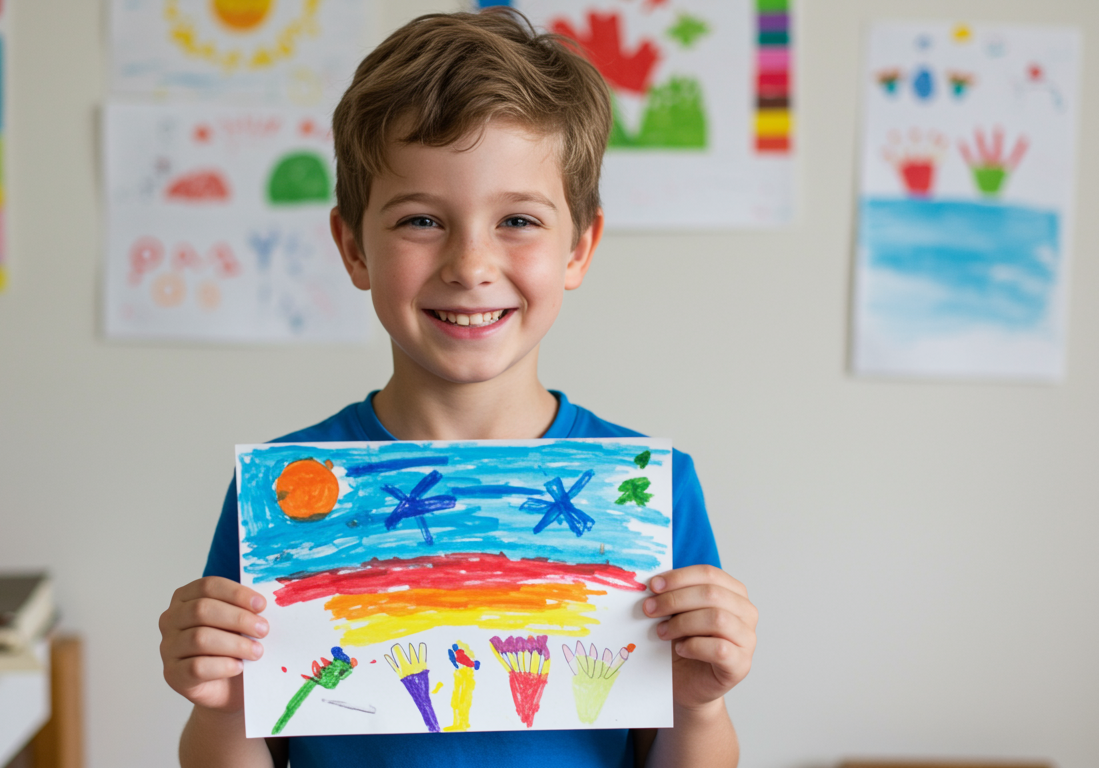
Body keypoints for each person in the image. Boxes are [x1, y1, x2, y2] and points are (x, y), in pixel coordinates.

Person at [158, 9, 758, 767]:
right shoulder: (284, 497)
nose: (471, 264)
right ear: (353, 247)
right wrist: (222, 706)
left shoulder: (657, 490)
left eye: (516, 219)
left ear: (581, 248)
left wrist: (698, 707)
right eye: (420, 220)